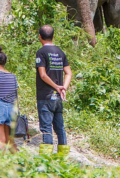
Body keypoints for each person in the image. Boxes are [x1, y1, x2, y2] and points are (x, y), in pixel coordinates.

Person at [36, 25, 72, 156]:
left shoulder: (41, 52)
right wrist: (63, 88)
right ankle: (63, 159)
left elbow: (43, 75)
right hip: (58, 97)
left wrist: (57, 87)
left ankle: (46, 161)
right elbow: (68, 73)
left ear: (40, 37)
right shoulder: (60, 52)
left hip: (45, 96)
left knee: (46, 128)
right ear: (53, 36)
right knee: (60, 128)